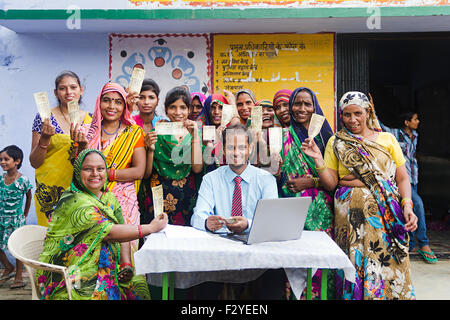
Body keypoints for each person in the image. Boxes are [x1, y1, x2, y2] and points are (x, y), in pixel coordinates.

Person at [301, 91, 418, 300]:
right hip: (349, 218)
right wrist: (318, 160)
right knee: (352, 264)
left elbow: (402, 179)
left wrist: (407, 205)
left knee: (385, 262)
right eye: (346, 114)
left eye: (357, 113)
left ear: (368, 112)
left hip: (386, 216)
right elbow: (331, 182)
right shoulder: (336, 142)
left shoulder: (387, 139)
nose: (352, 120)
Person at [36, 149, 168, 300]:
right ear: (78, 172)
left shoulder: (108, 197)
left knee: (138, 285)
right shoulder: (74, 200)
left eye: (100, 169)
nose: (95, 174)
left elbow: (122, 228)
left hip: (108, 264)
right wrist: (150, 228)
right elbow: (111, 232)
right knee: (103, 292)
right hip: (74, 269)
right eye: (87, 169)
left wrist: (126, 264)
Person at [191, 123, 285, 300]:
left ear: (250, 148)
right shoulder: (210, 179)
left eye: (241, 147)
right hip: (220, 247)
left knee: (273, 274)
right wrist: (206, 222)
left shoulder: (266, 179)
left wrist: (248, 224)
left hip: (256, 247)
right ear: (224, 149)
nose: (236, 152)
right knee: (205, 279)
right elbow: (198, 215)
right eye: (231, 147)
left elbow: (272, 221)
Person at [279, 87, 335, 299]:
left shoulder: (327, 138)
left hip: (320, 212)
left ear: (315, 108)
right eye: (297, 103)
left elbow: (334, 181)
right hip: (290, 210)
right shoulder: (283, 135)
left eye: (307, 104)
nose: (302, 109)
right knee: (293, 264)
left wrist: (309, 182)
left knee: (319, 264)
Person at [85, 82, 147, 255]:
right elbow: (79, 168)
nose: (112, 106)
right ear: (99, 102)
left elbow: (138, 171)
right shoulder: (87, 132)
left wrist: (105, 175)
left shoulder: (134, 132)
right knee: (93, 253)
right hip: (90, 201)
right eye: (107, 100)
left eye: (118, 102)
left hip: (124, 202)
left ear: (124, 105)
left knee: (125, 253)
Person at [30, 71, 92, 226]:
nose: (69, 92)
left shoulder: (90, 119)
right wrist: (44, 138)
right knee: (51, 239)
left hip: (80, 188)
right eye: (63, 88)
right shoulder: (44, 118)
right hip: (50, 190)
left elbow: (93, 158)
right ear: (56, 92)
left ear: (81, 90)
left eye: (73, 87)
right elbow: (34, 162)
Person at [378, 110, 437, 263]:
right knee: (417, 204)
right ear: (407, 122)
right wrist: (371, 109)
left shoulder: (415, 137)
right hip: (403, 179)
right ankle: (423, 243)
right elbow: (380, 126)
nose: (418, 122)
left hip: (414, 179)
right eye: (415, 119)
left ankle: (410, 245)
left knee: (409, 209)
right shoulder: (395, 134)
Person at [140, 86, 204, 227]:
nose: (178, 112)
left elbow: (197, 168)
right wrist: (150, 150)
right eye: (172, 107)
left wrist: (195, 137)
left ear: (188, 110)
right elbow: (146, 174)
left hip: (186, 195)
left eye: (182, 107)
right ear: (166, 109)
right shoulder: (157, 132)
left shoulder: (195, 132)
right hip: (159, 193)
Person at [0, 145, 32, 289]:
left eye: (6, 159)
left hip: (16, 219)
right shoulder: (1, 179)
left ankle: (18, 275)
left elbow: (29, 196)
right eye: (1, 159)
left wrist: (24, 213)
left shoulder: (23, 180)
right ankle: (8, 267)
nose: (2, 162)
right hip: (2, 218)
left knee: (17, 248)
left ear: (17, 161)